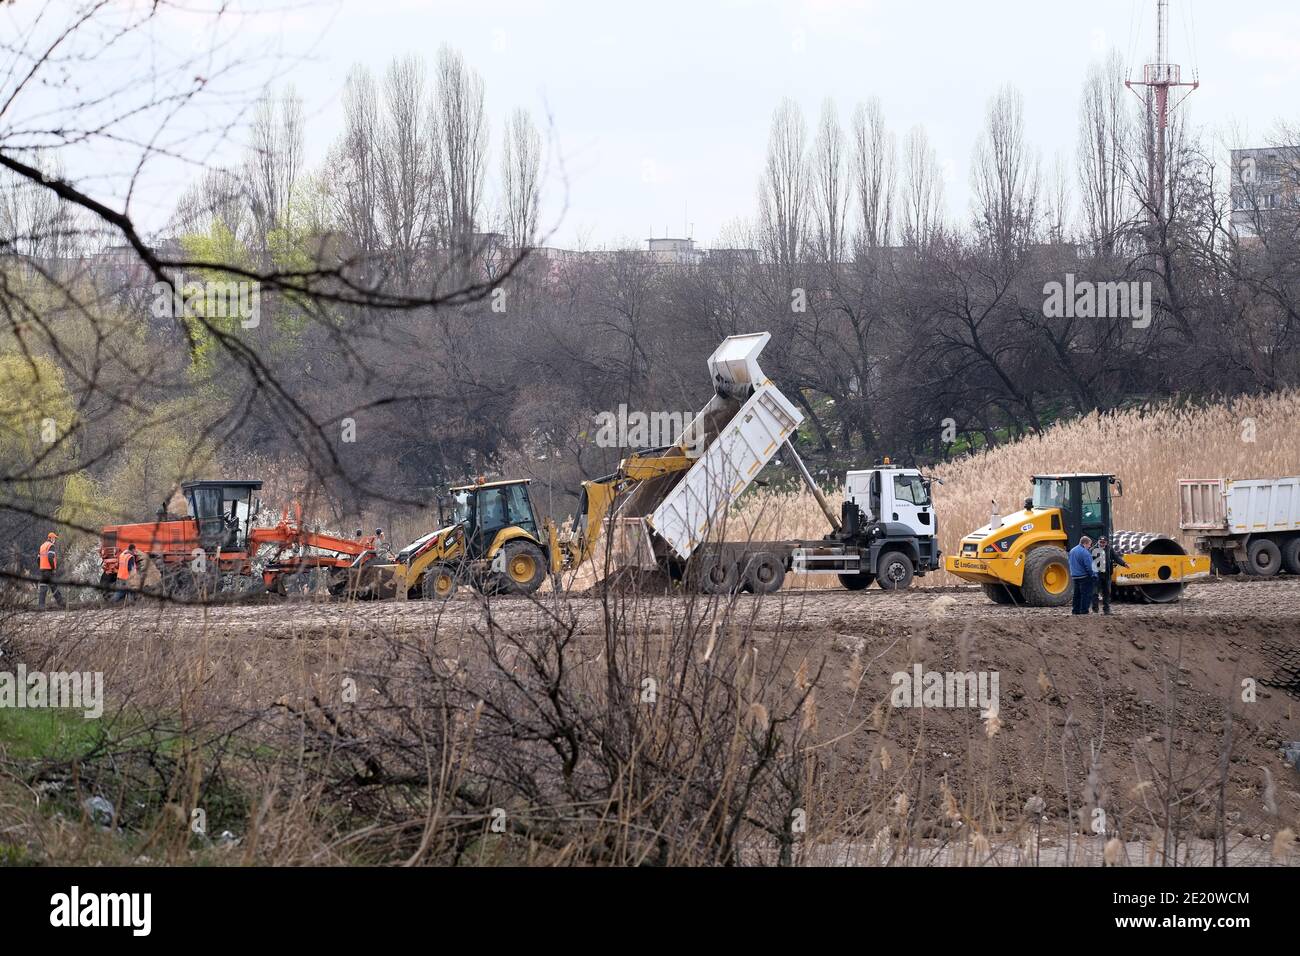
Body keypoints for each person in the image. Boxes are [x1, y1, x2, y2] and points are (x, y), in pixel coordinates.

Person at [1091, 535, 1130, 615]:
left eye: (1104, 542)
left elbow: (1116, 557)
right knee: (1095, 592)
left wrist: (1124, 563)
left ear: (1106, 543)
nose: (1102, 544)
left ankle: (1106, 610)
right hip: (1097, 575)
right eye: (1100, 542)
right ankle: (1095, 609)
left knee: (1107, 592)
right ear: (1098, 542)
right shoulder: (1093, 550)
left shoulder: (1109, 549)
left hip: (1107, 574)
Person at [37, 531, 66, 610]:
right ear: (51, 538)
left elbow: (38, 559)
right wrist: (53, 568)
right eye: (55, 538)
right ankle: (62, 605)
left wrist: (41, 567)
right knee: (54, 587)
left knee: (43, 588)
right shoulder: (51, 546)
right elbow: (50, 557)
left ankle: (41, 607)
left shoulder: (42, 546)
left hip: (43, 570)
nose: (55, 540)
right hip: (49, 570)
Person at [1068, 535, 1096, 615]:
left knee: (1076, 595)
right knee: (1086, 595)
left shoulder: (1072, 551)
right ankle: (1084, 611)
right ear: (1085, 543)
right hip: (1084, 577)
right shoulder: (1085, 553)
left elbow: (1070, 563)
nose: (1090, 546)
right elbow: (1089, 567)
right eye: (1089, 545)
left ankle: (1075, 611)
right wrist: (1094, 575)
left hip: (1075, 576)